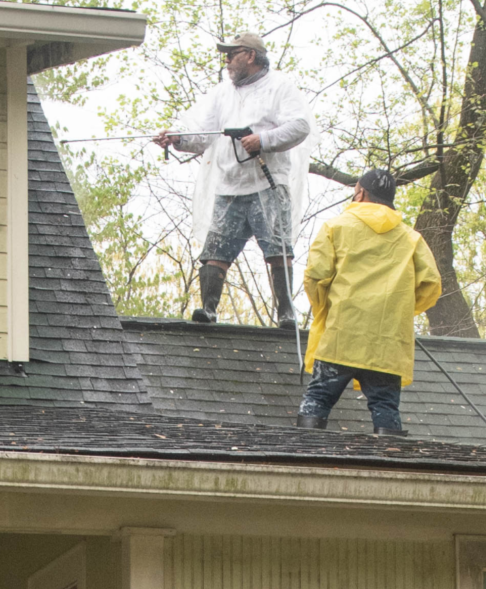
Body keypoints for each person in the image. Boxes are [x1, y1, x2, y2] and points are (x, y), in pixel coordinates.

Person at [153, 32, 315, 328]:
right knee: (215, 251)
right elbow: (204, 133)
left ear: (251, 55)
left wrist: (263, 139)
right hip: (229, 187)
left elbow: (301, 126)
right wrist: (178, 137)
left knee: (278, 249)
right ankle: (209, 309)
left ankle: (287, 313)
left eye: (232, 54)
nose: (226, 60)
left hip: (268, 184)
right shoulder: (221, 93)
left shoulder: (280, 87)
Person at [297, 169, 442, 436]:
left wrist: (324, 309)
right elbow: (431, 285)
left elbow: (316, 277)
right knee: (385, 405)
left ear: (360, 193)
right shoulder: (411, 238)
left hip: (341, 334)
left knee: (318, 399)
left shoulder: (335, 227)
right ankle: (388, 464)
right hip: (388, 341)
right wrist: (401, 311)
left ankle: (304, 457)